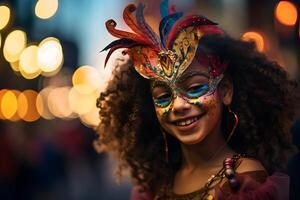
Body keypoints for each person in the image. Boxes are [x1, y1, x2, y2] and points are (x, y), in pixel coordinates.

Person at [95, 2, 298, 199]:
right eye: (163, 97)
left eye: (194, 88)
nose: (179, 105)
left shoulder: (244, 180)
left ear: (225, 91)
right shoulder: (155, 184)